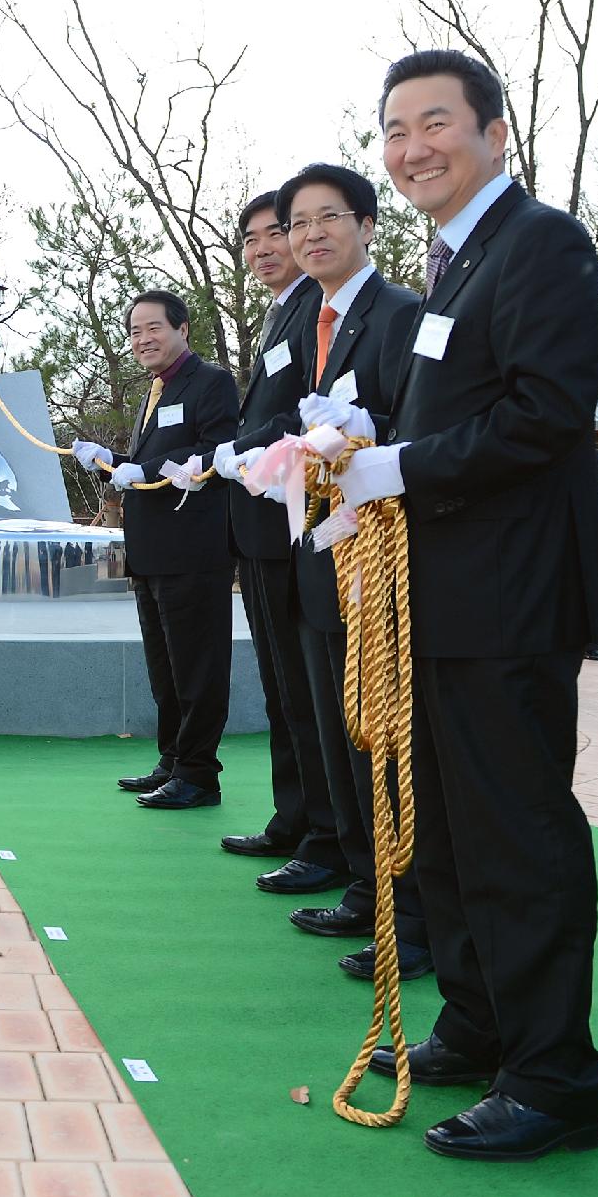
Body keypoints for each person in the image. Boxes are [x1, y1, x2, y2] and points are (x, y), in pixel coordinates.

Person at [341, 49, 598, 1161]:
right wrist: (357, 451)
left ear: (493, 132)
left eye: (435, 122)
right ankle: (480, 1020)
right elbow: (435, 421)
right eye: (395, 130)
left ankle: (553, 1078)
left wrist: (399, 469)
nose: (412, 148)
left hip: (509, 598)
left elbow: (548, 413)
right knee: (450, 831)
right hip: (438, 599)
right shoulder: (452, 266)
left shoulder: (539, 243)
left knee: (516, 833)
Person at [268, 163, 432, 986]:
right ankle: (369, 890)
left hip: (382, 555)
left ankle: (414, 914)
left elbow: (426, 420)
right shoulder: (312, 320)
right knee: (342, 726)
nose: (311, 235)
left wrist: (368, 431)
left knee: (385, 731)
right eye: (298, 224)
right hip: (325, 549)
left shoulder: (401, 313)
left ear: (367, 225)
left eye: (328, 217)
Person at [212, 191, 338, 891]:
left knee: (303, 684)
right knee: (283, 685)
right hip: (260, 520)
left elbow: (297, 411)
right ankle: (296, 819)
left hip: (291, 520)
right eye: (252, 239)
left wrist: (241, 446)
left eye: (274, 234)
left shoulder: (312, 310)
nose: (262, 249)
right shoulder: (280, 314)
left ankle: (324, 833)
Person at [72, 290, 239, 810]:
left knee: (197, 664)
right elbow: (156, 457)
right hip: (150, 554)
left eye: (154, 328)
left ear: (183, 329)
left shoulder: (210, 383)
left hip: (194, 550)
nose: (143, 340)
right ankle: (172, 759)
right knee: (164, 666)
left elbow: (216, 452)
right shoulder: (155, 391)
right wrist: (111, 460)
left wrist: (142, 470)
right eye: (135, 331)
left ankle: (198, 773)